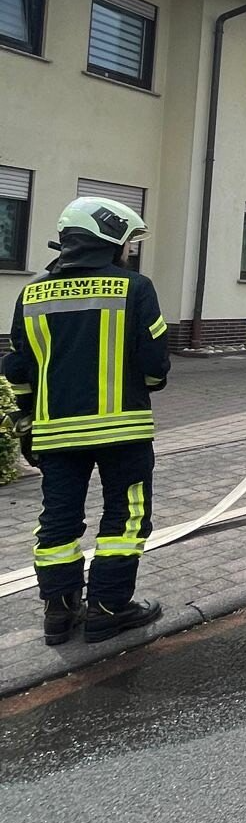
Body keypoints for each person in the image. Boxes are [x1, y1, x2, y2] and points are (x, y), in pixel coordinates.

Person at [0, 197, 170, 645]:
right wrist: (146, 383)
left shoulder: (31, 292)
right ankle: (109, 609)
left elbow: (17, 369)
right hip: (124, 431)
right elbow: (155, 363)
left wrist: (26, 428)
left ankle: (59, 614)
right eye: (128, 242)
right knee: (126, 518)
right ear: (109, 238)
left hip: (54, 432)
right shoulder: (134, 287)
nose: (131, 251)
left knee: (57, 521)